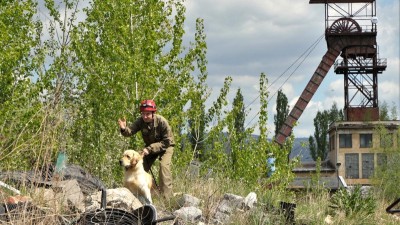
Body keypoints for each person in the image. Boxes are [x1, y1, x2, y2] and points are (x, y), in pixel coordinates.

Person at [118, 99, 175, 198]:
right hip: (150, 148)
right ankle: (136, 193)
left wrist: (149, 149)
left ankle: (167, 198)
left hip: (166, 147)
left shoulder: (162, 122)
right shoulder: (140, 121)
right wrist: (123, 128)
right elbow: (130, 131)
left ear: (153, 113)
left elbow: (167, 141)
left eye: (147, 114)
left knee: (163, 167)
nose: (145, 116)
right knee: (138, 164)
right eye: (143, 114)